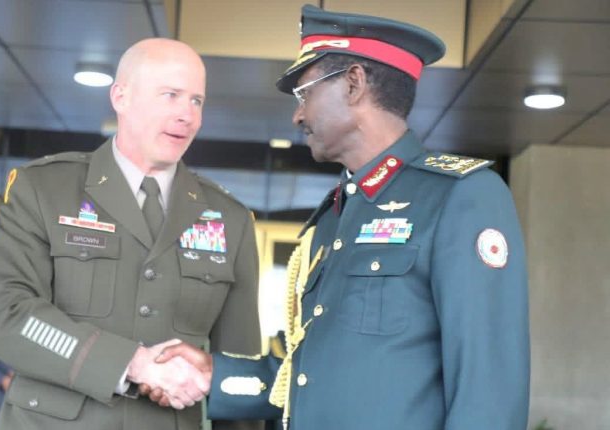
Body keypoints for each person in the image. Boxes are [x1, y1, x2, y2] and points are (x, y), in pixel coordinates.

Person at [153, 4, 530, 430]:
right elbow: (308, 378)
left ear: (354, 84)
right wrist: (211, 376)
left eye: (304, 94)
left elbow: (489, 394)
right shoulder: (332, 217)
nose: (298, 115)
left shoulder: (459, 196)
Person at [0, 37, 262, 430]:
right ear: (121, 97)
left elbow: (239, 372)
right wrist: (133, 363)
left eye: (196, 100)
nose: (187, 115)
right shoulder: (42, 189)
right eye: (171, 95)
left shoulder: (231, 219)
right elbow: (8, 316)